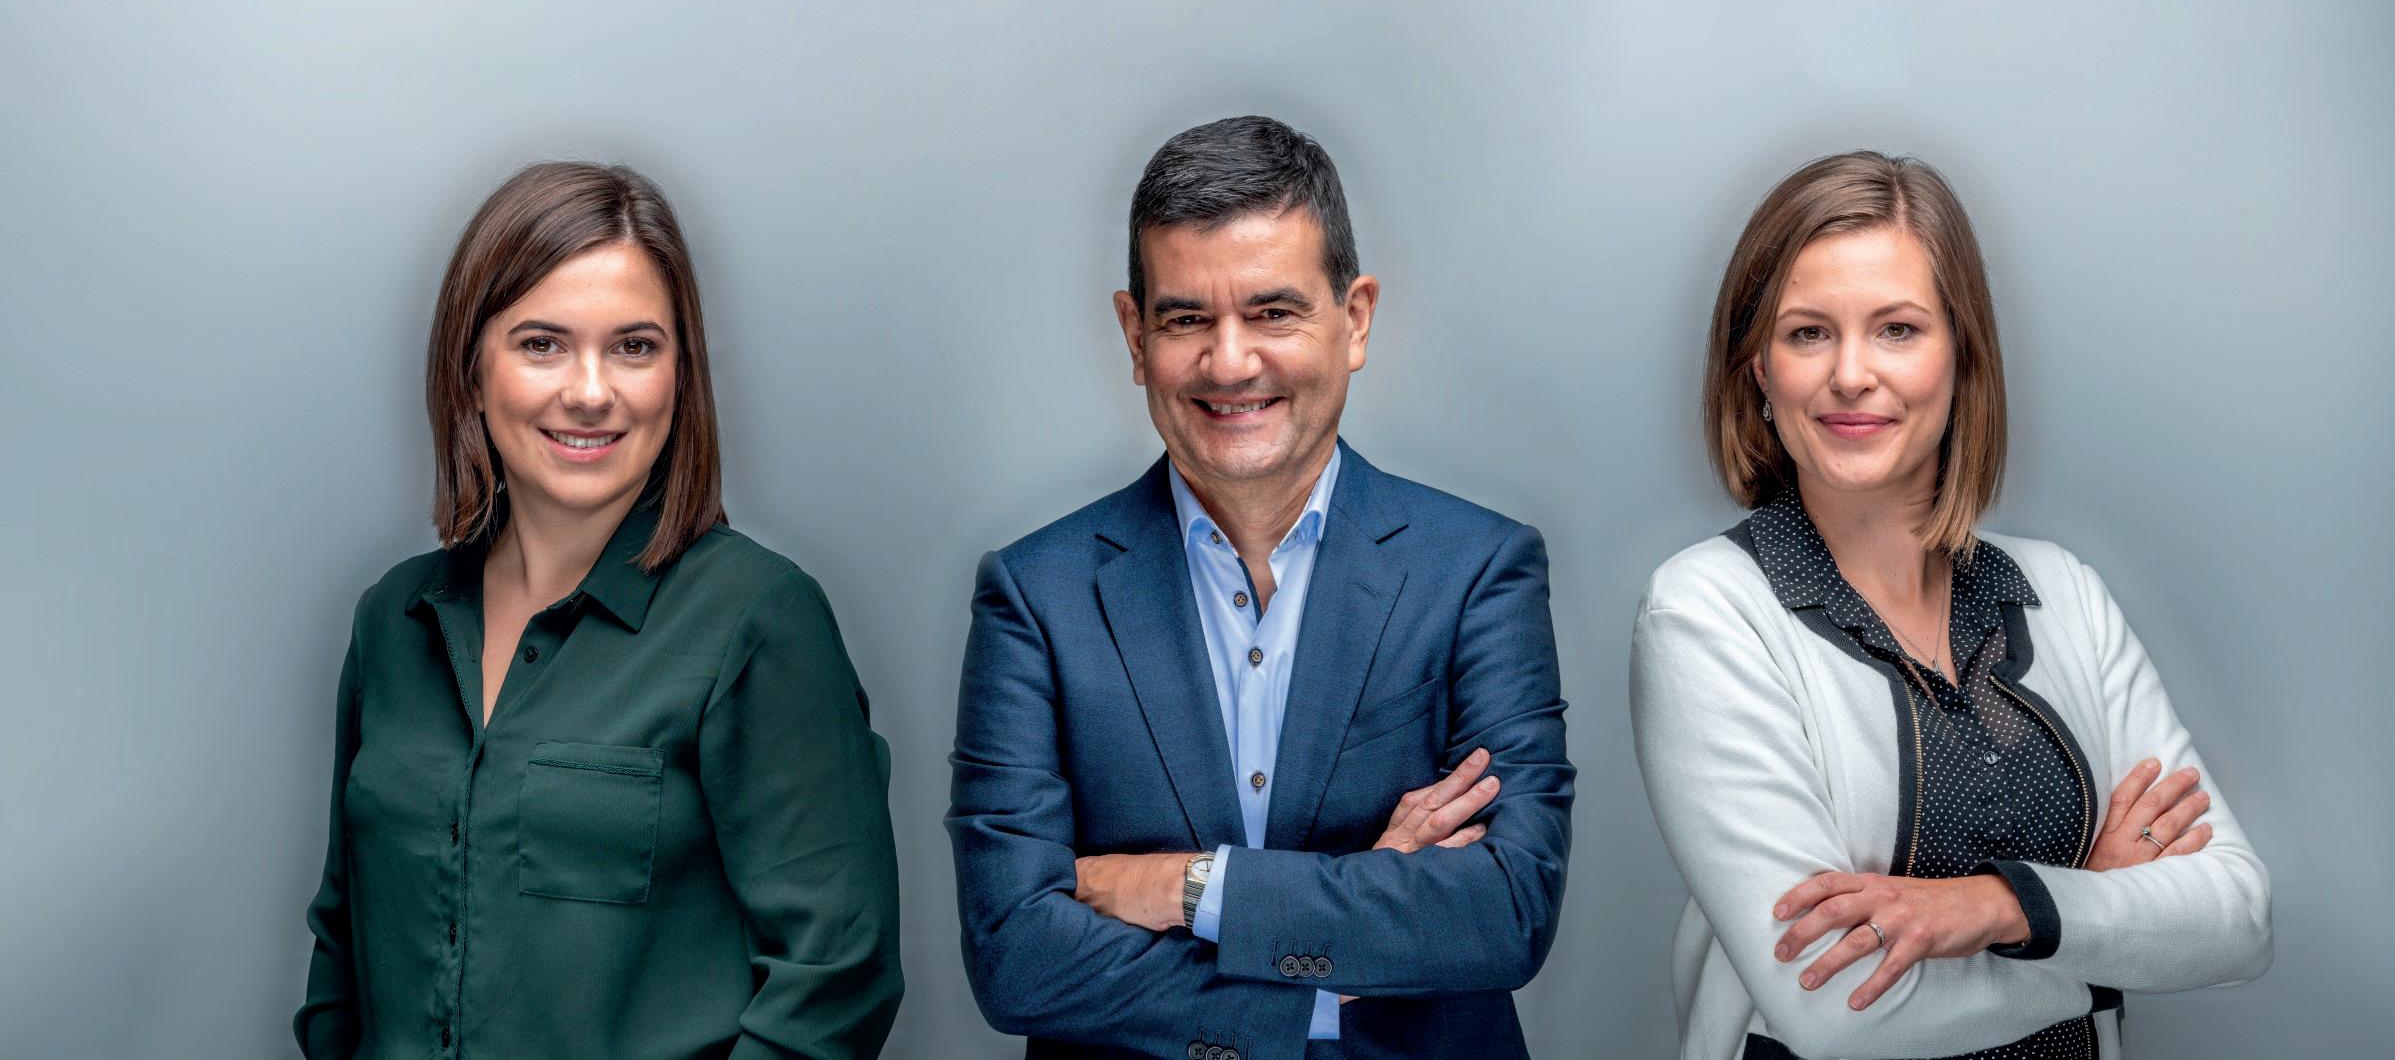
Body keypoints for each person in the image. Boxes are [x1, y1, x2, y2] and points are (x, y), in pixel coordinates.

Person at [948, 115, 1573, 1060]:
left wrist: (1188, 888)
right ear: (1134, 335)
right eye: (1185, 319)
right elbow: (1017, 958)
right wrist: (1339, 952)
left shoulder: (1478, 571)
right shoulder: (1037, 596)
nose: (1230, 362)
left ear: (1354, 320)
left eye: (1273, 313)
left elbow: (1503, 913)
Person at [1631, 151, 2273, 1059]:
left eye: (1898, 329)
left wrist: (1999, 907)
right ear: (1758, 372)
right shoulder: (1706, 613)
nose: (1851, 374)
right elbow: (1835, 1007)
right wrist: (2101, 927)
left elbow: (2237, 917)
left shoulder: (2063, 594)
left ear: (1963, 357)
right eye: (1808, 333)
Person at [296, 161, 903, 1060]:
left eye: (634, 347)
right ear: (470, 370)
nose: (590, 390)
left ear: (680, 376)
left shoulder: (759, 620)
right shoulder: (394, 620)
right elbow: (343, 949)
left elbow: (836, 982)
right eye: (542, 344)